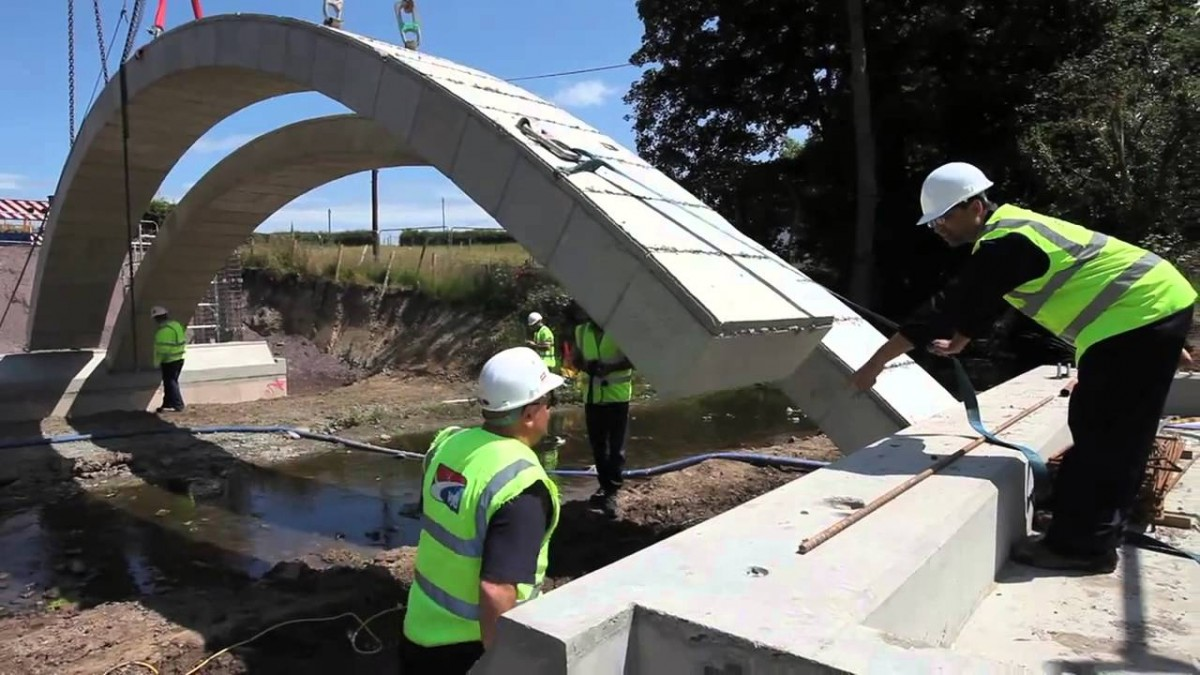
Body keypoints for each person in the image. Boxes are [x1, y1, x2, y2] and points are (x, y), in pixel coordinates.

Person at [849, 161, 1197, 574]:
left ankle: (1083, 547)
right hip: (1149, 311)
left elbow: (943, 308)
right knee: (1113, 429)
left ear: (974, 205)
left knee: (1104, 432)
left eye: (943, 217)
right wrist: (963, 338)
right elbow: (984, 298)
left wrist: (873, 366)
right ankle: (1092, 527)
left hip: (1139, 317)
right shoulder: (1012, 234)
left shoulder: (1006, 243)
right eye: (933, 223)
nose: (938, 227)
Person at [401, 346, 564, 674]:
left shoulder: (447, 444)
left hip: (417, 631)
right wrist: (503, 662)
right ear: (530, 414)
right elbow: (496, 589)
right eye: (550, 403)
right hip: (467, 649)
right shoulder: (521, 484)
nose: (551, 411)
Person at [571, 311, 635, 519]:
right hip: (592, 397)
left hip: (617, 397)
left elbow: (634, 359)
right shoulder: (581, 331)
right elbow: (575, 359)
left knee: (616, 447)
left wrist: (610, 368)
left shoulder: (621, 331)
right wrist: (586, 366)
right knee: (598, 446)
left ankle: (613, 491)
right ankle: (604, 486)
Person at [151, 305, 187, 413]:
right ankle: (167, 403)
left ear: (157, 318)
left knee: (171, 382)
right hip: (179, 358)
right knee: (170, 382)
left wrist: (156, 363)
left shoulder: (162, 333)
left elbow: (161, 351)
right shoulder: (176, 325)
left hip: (169, 361)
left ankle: (178, 404)